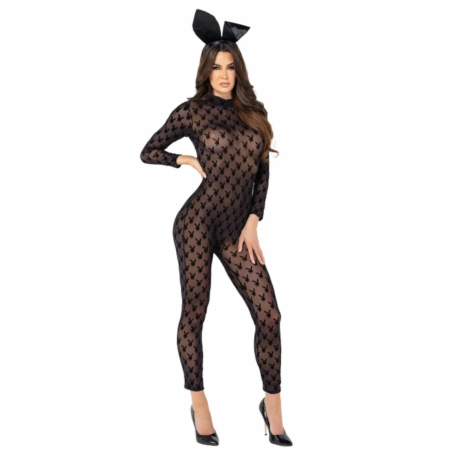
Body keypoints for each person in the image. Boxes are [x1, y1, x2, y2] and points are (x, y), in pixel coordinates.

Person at [140, 9, 293, 447]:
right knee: (196, 311)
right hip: (196, 223)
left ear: (238, 71)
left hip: (237, 228)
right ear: (206, 72)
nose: (223, 75)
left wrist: (254, 220)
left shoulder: (255, 113)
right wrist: (184, 159)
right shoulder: (192, 111)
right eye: (216, 68)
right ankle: (199, 404)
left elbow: (263, 173)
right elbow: (148, 151)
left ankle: (272, 408)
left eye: (229, 67)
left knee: (269, 316)